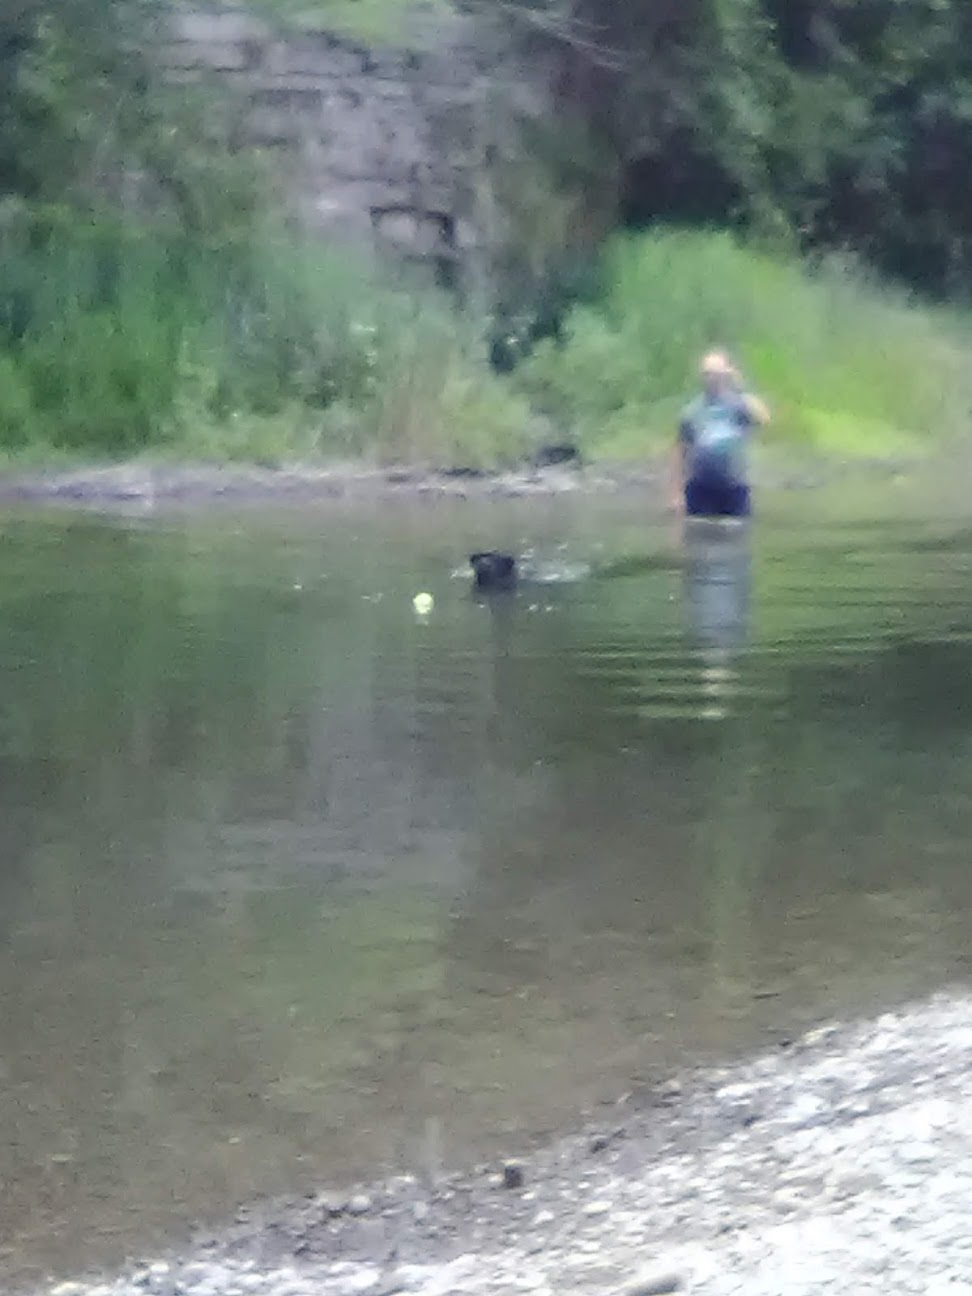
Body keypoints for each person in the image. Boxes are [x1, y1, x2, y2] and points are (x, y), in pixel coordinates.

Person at [671, 350, 770, 519]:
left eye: (716, 373)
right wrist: (676, 494)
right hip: (699, 488)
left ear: (726, 374)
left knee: (736, 531)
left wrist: (739, 386)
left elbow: (764, 418)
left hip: (735, 487)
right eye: (707, 374)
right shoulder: (692, 410)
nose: (712, 379)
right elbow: (680, 452)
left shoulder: (740, 404)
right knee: (698, 531)